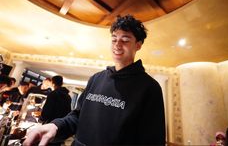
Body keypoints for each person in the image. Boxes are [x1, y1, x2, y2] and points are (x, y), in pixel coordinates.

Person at [23, 15, 166, 146]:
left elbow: (152, 141)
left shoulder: (149, 88)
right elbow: (77, 116)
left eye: (125, 40)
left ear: (138, 45)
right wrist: (56, 126)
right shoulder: (97, 78)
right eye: (114, 39)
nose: (117, 44)